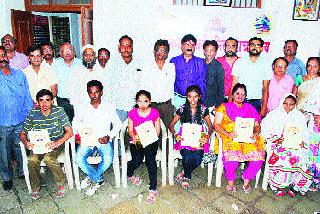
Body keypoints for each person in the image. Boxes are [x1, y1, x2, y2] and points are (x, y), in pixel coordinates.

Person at [19, 89, 73, 199]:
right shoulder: (32, 113)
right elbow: (22, 133)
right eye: (41, 101)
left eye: (47, 100)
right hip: (38, 145)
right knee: (32, 159)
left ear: (52, 101)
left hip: (55, 143)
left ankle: (61, 185)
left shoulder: (59, 111)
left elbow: (70, 131)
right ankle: (36, 187)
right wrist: (26, 143)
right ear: (37, 102)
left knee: (49, 158)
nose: (44, 104)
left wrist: (58, 142)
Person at [73, 80, 121, 196]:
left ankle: (91, 177)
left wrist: (109, 136)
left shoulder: (109, 106)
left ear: (102, 92)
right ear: (87, 93)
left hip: (102, 140)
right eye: (91, 93)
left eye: (96, 92)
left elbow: (118, 123)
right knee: (78, 158)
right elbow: (75, 122)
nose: (94, 95)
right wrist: (77, 135)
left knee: (108, 158)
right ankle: (98, 179)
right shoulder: (82, 107)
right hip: (87, 139)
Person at [214, 83, 264, 193]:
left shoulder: (249, 108)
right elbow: (216, 124)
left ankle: (246, 178)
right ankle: (231, 181)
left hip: (247, 138)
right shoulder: (223, 107)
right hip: (230, 137)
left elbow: (257, 125)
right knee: (233, 158)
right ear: (232, 94)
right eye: (237, 93)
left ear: (246, 96)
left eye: (243, 94)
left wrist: (255, 132)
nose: (240, 96)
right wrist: (228, 133)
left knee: (259, 157)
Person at [261, 94, 312, 196]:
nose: (288, 107)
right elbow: (265, 128)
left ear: (295, 105)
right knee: (282, 157)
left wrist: (302, 141)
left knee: (302, 157)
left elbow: (304, 133)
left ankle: (295, 185)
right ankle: (276, 184)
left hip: (294, 144)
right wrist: (277, 139)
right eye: (285, 103)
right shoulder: (274, 114)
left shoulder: (298, 116)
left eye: (291, 104)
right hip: (278, 144)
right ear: (282, 103)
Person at [0, 46, 33, 191]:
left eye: (3, 55)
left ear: (7, 56)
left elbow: (27, 95)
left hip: (21, 119)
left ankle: (21, 171)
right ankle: (6, 177)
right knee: (4, 151)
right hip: (3, 122)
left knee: (20, 148)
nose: (1, 59)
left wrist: (29, 116)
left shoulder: (19, 74)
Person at [169, 85, 213, 189]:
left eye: (195, 97)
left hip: (199, 138)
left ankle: (185, 171)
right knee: (187, 156)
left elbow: (211, 126)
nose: (192, 100)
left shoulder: (203, 109)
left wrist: (207, 136)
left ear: (200, 97)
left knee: (197, 158)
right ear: (186, 97)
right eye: (189, 96)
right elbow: (171, 124)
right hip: (185, 138)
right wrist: (175, 134)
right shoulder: (182, 109)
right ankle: (187, 176)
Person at [127, 90, 160, 204]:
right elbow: (130, 131)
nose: (142, 104)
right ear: (136, 102)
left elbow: (157, 131)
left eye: (145, 101)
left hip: (151, 141)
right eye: (140, 101)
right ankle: (129, 172)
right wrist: (135, 136)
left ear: (150, 102)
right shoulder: (132, 113)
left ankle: (153, 188)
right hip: (137, 140)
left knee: (151, 160)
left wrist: (149, 138)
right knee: (137, 160)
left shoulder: (154, 112)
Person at [232, 37, 272, 117]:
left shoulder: (266, 64)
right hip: (240, 101)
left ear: (261, 48)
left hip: (256, 103)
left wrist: (264, 107)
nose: (255, 47)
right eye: (252, 45)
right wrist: (231, 104)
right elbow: (233, 85)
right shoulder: (239, 62)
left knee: (254, 127)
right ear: (248, 47)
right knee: (238, 126)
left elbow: (266, 88)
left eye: (258, 45)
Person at [170, 34, 206, 109]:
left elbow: (202, 83)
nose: (190, 47)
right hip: (177, 99)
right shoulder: (174, 61)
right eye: (187, 44)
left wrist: (201, 101)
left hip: (194, 101)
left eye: (192, 45)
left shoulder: (200, 62)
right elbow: (169, 81)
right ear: (182, 46)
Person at [113, 35, 143, 121]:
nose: (126, 49)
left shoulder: (140, 63)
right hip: (118, 108)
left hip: (135, 107)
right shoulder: (112, 64)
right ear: (119, 48)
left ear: (132, 48)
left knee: (135, 133)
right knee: (119, 133)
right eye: (123, 46)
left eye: (128, 46)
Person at [145, 39, 175, 127]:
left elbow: (172, 85)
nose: (161, 53)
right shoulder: (147, 67)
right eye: (158, 50)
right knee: (151, 134)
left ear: (167, 53)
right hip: (151, 105)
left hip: (167, 106)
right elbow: (143, 87)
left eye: (164, 51)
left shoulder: (171, 67)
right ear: (154, 51)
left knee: (167, 134)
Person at [52, 42, 81, 122]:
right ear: (61, 54)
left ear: (74, 52)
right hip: (63, 101)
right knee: (65, 126)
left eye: (69, 50)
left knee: (80, 125)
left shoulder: (81, 63)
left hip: (79, 100)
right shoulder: (56, 65)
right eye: (64, 51)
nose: (67, 52)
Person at [203, 40, 224, 109]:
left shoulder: (219, 67)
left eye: (212, 50)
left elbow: (221, 88)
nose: (209, 53)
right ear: (204, 51)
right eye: (207, 50)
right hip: (199, 103)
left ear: (215, 52)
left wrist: (218, 106)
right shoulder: (200, 63)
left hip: (212, 104)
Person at [305, 102, 320, 191]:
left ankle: (316, 183)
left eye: (317, 117)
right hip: (313, 149)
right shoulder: (313, 125)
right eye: (315, 116)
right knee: (312, 164)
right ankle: (311, 181)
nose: (315, 118)